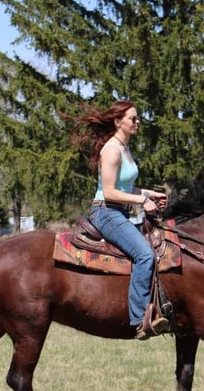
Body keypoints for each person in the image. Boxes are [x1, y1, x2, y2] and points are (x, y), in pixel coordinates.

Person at [70, 100, 169, 340]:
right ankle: (139, 320)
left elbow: (126, 186)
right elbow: (110, 192)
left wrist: (148, 193)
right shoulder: (112, 150)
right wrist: (141, 201)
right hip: (106, 212)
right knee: (144, 254)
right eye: (132, 119)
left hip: (119, 211)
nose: (137, 122)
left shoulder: (124, 148)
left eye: (137, 118)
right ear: (118, 122)